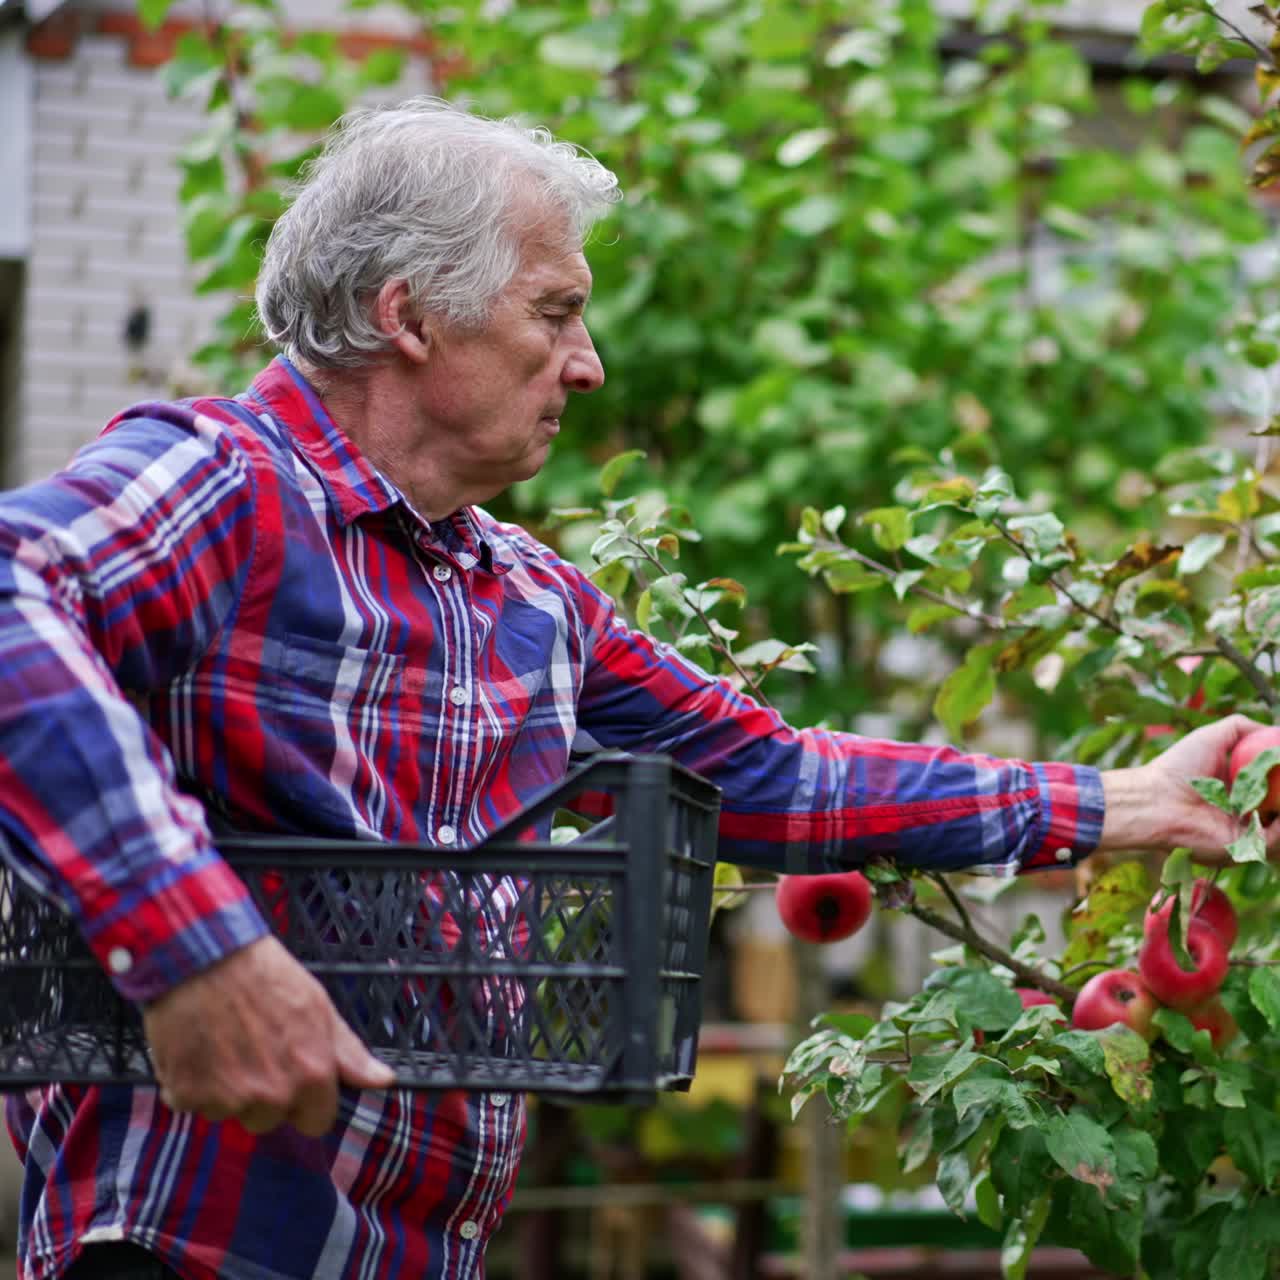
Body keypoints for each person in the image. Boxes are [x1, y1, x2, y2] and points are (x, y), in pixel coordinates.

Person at [0, 95, 1271, 1280]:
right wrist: (194, 950)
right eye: (553, 312)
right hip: (188, 1232)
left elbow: (771, 775)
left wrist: (1123, 799)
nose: (587, 361)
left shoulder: (522, 595)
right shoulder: (232, 482)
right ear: (410, 314)